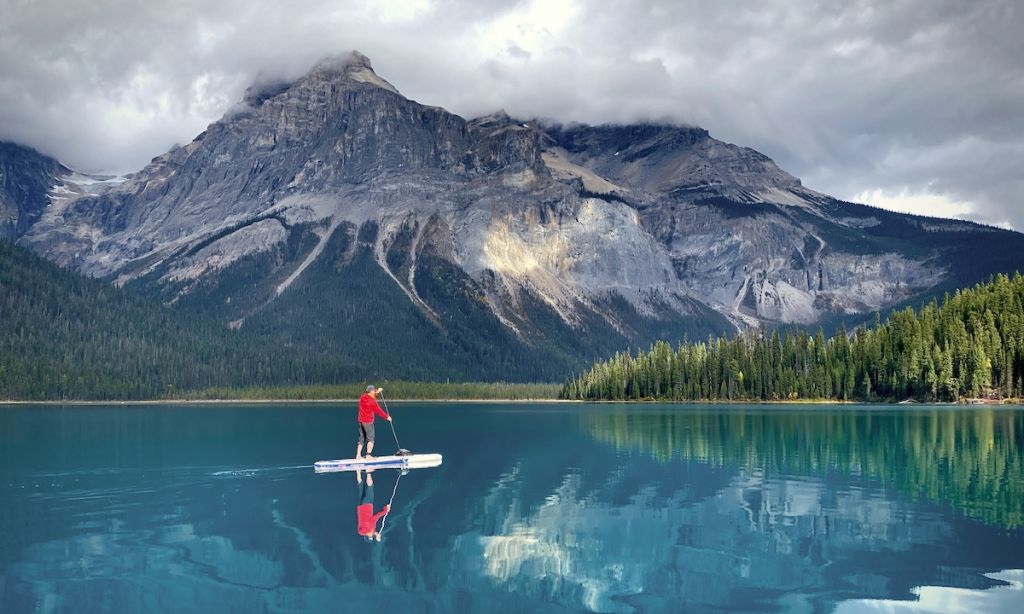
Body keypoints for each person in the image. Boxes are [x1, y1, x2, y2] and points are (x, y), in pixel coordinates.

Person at [357, 385, 391, 460]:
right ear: (371, 391)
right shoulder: (372, 402)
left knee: (361, 438)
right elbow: (379, 411)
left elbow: (371, 395)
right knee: (371, 439)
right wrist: (387, 417)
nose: (374, 391)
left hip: (360, 421)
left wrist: (378, 392)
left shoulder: (363, 397)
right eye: (374, 390)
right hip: (368, 422)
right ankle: (368, 455)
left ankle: (358, 455)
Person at [355, 468, 390, 542]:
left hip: (367, 506)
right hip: (360, 507)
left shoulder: (370, 528)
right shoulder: (362, 530)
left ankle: (368, 471)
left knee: (370, 487)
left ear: (369, 535)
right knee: (361, 488)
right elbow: (371, 530)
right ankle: (358, 470)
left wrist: (386, 510)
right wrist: (376, 534)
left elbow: (376, 517)